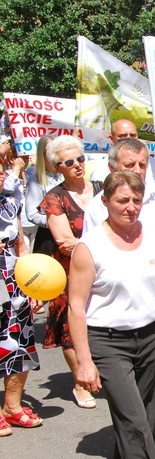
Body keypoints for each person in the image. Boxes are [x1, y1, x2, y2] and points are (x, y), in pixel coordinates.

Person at [68, 170, 155, 459]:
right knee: (134, 425)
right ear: (105, 202)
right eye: (122, 200)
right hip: (107, 343)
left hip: (149, 339)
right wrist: (84, 362)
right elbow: (76, 307)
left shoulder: (153, 236)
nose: (130, 207)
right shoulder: (89, 248)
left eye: (136, 200)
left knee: (139, 423)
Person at [83, 138, 155, 419]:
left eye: (143, 164)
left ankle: (137, 427)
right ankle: (138, 431)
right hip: (125, 305)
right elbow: (94, 255)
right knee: (137, 381)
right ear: (112, 167)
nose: (138, 169)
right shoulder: (99, 206)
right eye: (129, 164)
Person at [39, 135, 102, 410]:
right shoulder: (55, 198)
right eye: (69, 161)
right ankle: (79, 382)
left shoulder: (102, 187)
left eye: (80, 158)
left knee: (102, 321)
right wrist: (105, 242)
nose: (77, 165)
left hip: (106, 268)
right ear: (57, 167)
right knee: (70, 326)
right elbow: (65, 242)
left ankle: (101, 372)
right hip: (71, 271)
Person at [0, 165, 43, 436]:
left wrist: (32, 285)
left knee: (18, 342)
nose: (2, 172)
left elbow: (21, 245)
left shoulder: (10, 200)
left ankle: (12, 407)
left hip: (11, 275)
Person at [25, 135, 63, 255]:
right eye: (49, 150)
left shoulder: (63, 175)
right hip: (48, 238)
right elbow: (31, 214)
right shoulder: (35, 180)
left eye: (56, 150)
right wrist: (56, 222)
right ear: (42, 153)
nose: (53, 154)